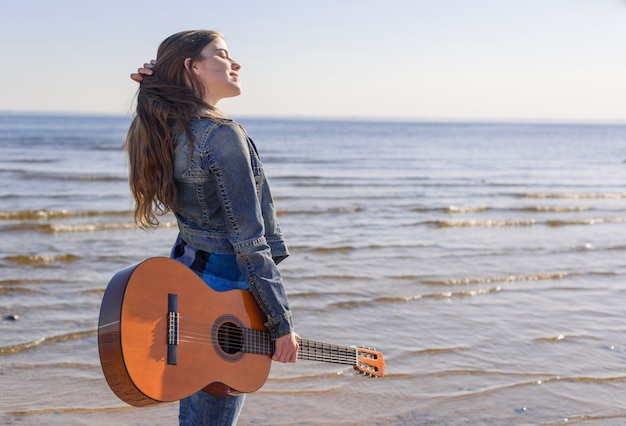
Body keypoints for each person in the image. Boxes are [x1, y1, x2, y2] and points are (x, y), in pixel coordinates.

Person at [126, 30, 299, 425]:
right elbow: (249, 243)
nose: (235, 64)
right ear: (193, 67)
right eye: (222, 55)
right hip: (226, 296)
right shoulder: (221, 136)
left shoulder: (166, 127)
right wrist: (281, 322)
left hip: (186, 281)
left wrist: (157, 82)